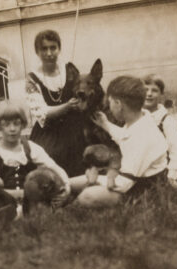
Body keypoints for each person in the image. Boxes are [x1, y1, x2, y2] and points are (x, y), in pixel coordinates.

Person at [65, 76, 168, 207]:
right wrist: (105, 124)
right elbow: (124, 137)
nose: (109, 106)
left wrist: (97, 182)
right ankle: (62, 188)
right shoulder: (140, 120)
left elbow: (124, 183)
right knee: (71, 182)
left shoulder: (142, 137)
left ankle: (70, 207)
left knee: (88, 195)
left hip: (143, 189)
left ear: (119, 105)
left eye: (110, 102)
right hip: (135, 180)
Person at [0, 101, 70, 202]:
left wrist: (66, 185)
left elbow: (54, 168)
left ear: (22, 124)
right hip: (4, 204)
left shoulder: (30, 148)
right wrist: (16, 194)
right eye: (6, 124)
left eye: (16, 123)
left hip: (32, 203)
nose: (12, 129)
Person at [25, 29, 86, 177]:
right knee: (47, 162)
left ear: (59, 49)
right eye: (44, 49)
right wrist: (67, 106)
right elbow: (43, 113)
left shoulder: (69, 70)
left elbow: (84, 92)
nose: (49, 53)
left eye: (53, 47)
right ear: (37, 52)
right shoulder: (32, 79)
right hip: (48, 132)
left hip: (73, 129)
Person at [143, 74, 177, 188]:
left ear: (161, 94)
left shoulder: (165, 120)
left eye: (154, 90)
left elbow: (175, 149)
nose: (149, 94)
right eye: (145, 90)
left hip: (160, 168)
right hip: (139, 165)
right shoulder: (135, 115)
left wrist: (172, 176)